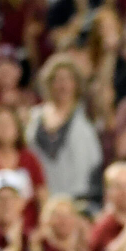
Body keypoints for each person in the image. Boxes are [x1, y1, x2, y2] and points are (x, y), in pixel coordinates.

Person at [27, 58, 103, 202]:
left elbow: (94, 160)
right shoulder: (34, 117)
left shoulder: (88, 115)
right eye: (57, 79)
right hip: (41, 196)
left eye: (68, 79)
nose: (63, 85)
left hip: (78, 196)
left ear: (76, 84)